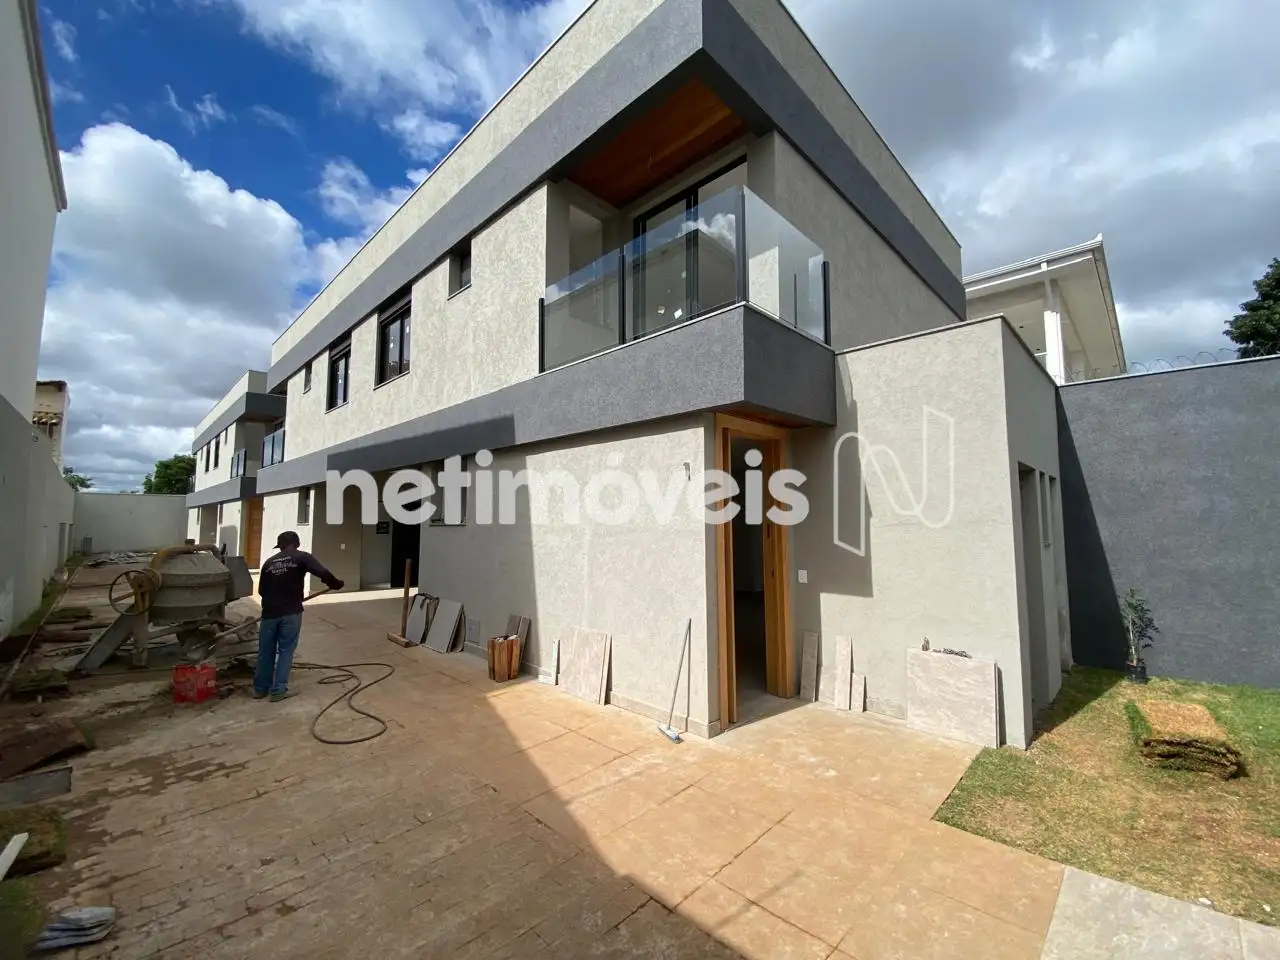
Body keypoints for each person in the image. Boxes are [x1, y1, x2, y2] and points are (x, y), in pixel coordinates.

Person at [254, 531, 344, 701]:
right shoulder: (302, 557)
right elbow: (322, 572)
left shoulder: (269, 562)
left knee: (265, 651)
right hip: (290, 612)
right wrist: (335, 584)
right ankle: (278, 690)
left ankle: (260, 689)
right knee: (286, 650)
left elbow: (261, 591)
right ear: (297, 543)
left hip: (269, 613)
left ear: (280, 546)